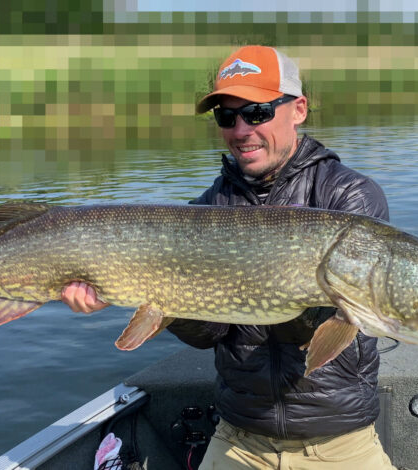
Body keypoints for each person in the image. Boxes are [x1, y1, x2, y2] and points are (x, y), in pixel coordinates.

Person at [62, 45, 395, 469]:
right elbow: (210, 333)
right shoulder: (207, 208)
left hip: (339, 443)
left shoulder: (346, 197)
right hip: (238, 439)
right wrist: (158, 297)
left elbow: (315, 325)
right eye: (227, 116)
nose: (241, 130)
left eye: (257, 112)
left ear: (298, 109)